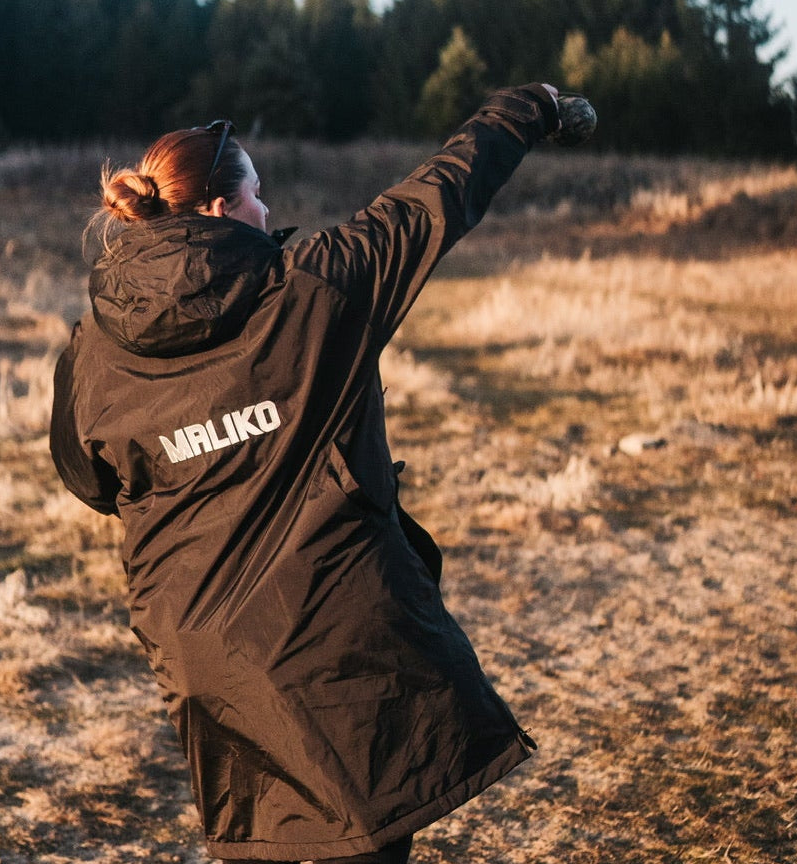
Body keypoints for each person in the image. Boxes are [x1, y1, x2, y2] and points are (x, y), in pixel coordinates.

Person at [51, 83, 566, 863]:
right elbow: (435, 199)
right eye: (257, 195)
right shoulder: (314, 289)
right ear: (222, 212)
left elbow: (88, 481)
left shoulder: (92, 345)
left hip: (211, 670)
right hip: (339, 657)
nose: (268, 211)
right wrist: (529, 109)